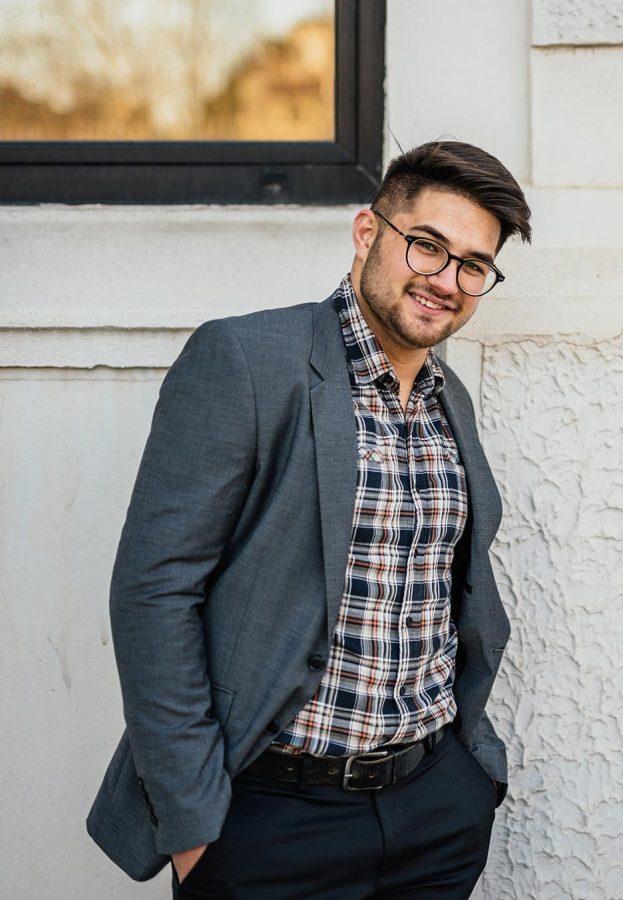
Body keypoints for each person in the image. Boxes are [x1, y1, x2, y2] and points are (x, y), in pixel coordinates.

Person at [87, 140, 532, 899]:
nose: (446, 280)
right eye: (427, 247)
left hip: (432, 812)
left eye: (472, 265)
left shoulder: (447, 401)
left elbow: (456, 595)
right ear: (369, 234)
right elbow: (154, 592)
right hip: (273, 820)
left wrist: (472, 776)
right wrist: (198, 830)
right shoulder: (247, 360)